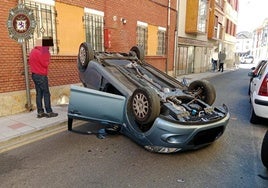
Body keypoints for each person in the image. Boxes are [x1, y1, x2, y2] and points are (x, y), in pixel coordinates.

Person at [29, 37, 58, 118]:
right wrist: (47, 53)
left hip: (34, 75)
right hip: (41, 75)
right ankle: (49, 112)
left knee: (39, 94)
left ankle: (40, 112)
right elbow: (45, 63)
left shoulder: (33, 51)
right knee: (46, 93)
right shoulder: (43, 52)